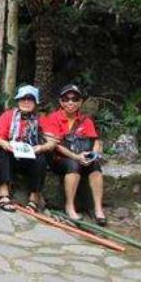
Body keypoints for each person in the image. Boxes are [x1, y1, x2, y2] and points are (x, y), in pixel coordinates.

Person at [44, 84, 106, 224]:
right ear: (61, 102)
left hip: (82, 157)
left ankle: (98, 208)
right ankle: (69, 206)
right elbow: (56, 144)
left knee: (95, 166)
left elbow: (95, 141)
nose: (70, 102)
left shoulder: (86, 120)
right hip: (60, 158)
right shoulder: (54, 118)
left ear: (80, 102)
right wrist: (76, 157)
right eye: (66, 99)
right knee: (73, 164)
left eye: (74, 99)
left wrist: (93, 155)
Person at [0, 85, 55, 213]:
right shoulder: (8, 115)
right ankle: (3, 192)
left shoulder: (41, 119)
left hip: (31, 156)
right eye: (23, 99)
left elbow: (52, 142)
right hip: (12, 155)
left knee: (42, 157)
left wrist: (40, 147)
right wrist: (6, 144)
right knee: (2, 151)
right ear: (18, 101)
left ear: (35, 103)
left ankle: (34, 196)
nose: (26, 102)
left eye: (30, 99)